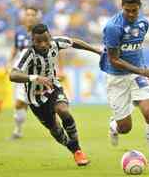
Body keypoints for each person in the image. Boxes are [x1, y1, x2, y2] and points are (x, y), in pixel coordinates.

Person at [9, 23, 102, 166]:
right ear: (32, 40)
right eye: (38, 41)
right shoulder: (28, 53)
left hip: (53, 88)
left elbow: (74, 42)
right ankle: (73, 149)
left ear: (50, 36)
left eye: (46, 39)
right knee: (55, 130)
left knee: (63, 110)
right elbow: (13, 75)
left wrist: (96, 50)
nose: (43, 44)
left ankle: (78, 150)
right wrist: (35, 77)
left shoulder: (56, 43)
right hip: (35, 98)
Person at [99, 0, 149, 174]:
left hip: (137, 75)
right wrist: (143, 71)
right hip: (116, 78)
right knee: (125, 128)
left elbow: (137, 51)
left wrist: (147, 75)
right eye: (127, 10)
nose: (131, 14)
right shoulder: (113, 27)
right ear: (122, 7)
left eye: (134, 11)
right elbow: (114, 59)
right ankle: (114, 125)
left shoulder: (144, 23)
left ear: (140, 8)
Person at [6, 6, 39, 140]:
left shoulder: (41, 32)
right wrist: (9, 62)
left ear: (37, 17)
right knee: (20, 103)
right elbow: (15, 48)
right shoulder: (19, 32)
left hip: (39, 72)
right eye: (28, 14)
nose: (30, 17)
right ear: (24, 17)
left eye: (33, 15)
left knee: (46, 105)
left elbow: (54, 48)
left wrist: (60, 69)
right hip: (22, 73)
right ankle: (18, 131)